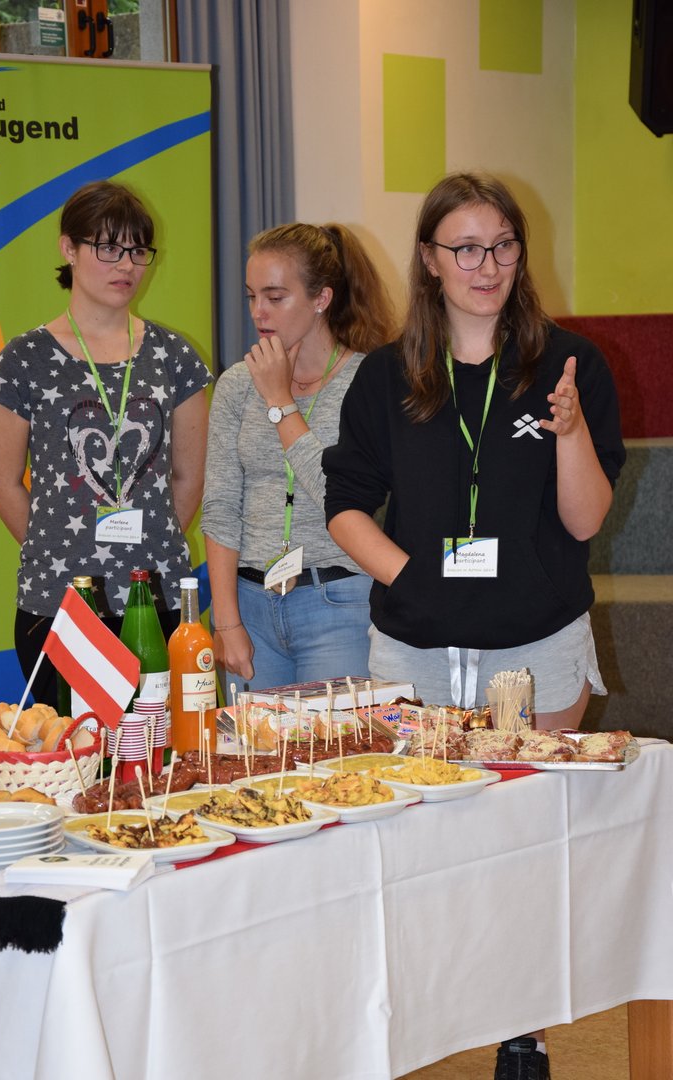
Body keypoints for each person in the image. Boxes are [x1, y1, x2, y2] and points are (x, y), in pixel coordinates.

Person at [322, 173, 625, 1080]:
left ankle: (522, 1030)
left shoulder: (569, 365)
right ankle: (413, 1019)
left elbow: (585, 520)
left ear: (521, 254)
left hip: (536, 644)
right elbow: (345, 508)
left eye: (502, 246)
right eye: (465, 248)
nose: (485, 265)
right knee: (415, 838)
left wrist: (570, 432)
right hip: (413, 647)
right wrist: (413, 576)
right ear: (429, 259)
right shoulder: (385, 375)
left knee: (527, 842)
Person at [0, 179, 212, 707]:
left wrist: (144, 546)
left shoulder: (174, 356)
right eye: (109, 247)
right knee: (79, 750)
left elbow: (189, 477)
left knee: (158, 744)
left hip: (156, 595)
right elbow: (1, 484)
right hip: (59, 600)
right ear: (69, 248)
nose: (126, 265)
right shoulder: (23, 359)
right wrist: (60, 549)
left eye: (138, 250)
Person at [202, 222, 395, 697]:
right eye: (252, 297)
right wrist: (226, 621)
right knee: (253, 746)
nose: (259, 312)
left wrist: (280, 402)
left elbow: (342, 499)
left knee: (336, 746)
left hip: (338, 603)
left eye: (275, 297)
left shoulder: (369, 380)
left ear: (321, 298)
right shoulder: (236, 384)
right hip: (250, 607)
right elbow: (221, 507)